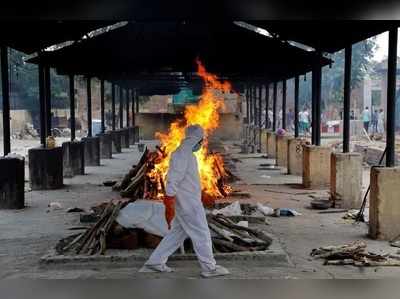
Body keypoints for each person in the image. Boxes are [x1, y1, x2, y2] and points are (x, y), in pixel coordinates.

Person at [140, 125, 230, 278]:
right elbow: (173, 178)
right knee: (202, 233)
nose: (201, 144)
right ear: (196, 139)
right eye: (201, 141)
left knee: (177, 234)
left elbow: (187, 179)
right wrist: (169, 200)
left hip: (188, 201)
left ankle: (155, 262)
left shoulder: (187, 153)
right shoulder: (183, 154)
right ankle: (209, 268)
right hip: (188, 204)